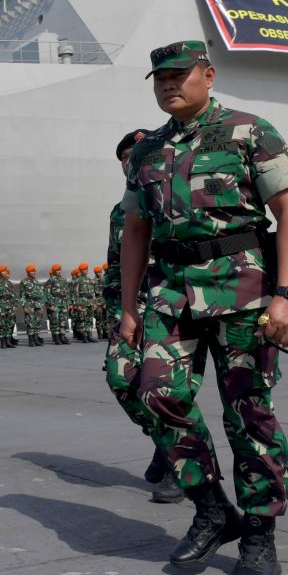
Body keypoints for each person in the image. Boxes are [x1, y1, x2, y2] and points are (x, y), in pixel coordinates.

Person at [119, 40, 288, 575]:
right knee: (153, 392)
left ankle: (258, 533)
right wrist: (129, 307)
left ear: (208, 74)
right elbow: (135, 231)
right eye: (159, 78)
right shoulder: (148, 151)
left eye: (180, 74)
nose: (168, 85)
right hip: (171, 292)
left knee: (248, 414)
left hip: (243, 291)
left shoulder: (250, 131)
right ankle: (210, 507)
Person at [103, 126, 183, 504]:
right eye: (125, 159)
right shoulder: (120, 213)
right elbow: (115, 267)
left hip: (172, 310)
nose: (129, 163)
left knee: (165, 388)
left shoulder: (178, 198)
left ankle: (178, 464)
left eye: (136, 157)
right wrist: (116, 312)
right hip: (131, 314)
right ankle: (161, 440)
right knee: (121, 380)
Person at [20, 265, 46, 346]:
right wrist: (24, 306)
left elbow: (41, 295)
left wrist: (42, 306)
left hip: (38, 304)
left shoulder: (36, 282)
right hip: (29, 304)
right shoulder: (24, 281)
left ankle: (36, 338)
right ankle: (31, 340)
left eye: (34, 271)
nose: (34, 272)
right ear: (28, 272)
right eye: (32, 271)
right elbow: (22, 295)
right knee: (30, 322)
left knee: (37, 321)